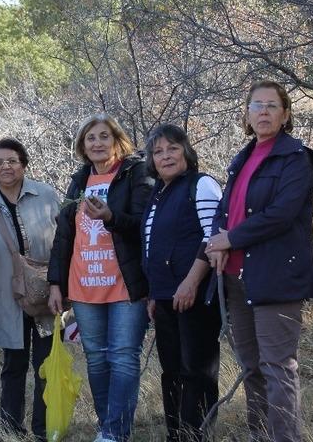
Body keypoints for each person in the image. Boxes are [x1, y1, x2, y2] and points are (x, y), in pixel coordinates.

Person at [205, 81, 313, 442]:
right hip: (238, 277)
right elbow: (225, 210)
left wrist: (231, 238)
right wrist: (217, 241)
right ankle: (260, 436)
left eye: (272, 106)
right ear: (248, 113)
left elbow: (280, 214)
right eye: (257, 105)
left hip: (276, 275)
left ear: (285, 115)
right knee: (251, 367)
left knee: (277, 367)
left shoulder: (295, 158)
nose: (264, 112)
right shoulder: (242, 158)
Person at [47, 114, 153, 442]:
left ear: (117, 141)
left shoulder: (136, 174)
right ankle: (109, 426)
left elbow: (143, 224)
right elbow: (64, 235)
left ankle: (114, 432)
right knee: (95, 357)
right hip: (83, 284)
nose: (97, 143)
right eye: (90, 138)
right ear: (82, 146)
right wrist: (55, 283)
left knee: (122, 354)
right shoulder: (79, 180)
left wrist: (111, 217)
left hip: (125, 282)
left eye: (104, 137)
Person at [0, 138, 59, 441]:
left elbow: (65, 245)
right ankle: (11, 430)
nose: (6, 166)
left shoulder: (46, 196)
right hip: (8, 299)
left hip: (45, 297)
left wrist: (61, 285)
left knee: (46, 365)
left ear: (23, 164)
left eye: (12, 160)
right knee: (13, 367)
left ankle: (44, 430)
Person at [141, 125, 222, 442]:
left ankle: (197, 434)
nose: (165, 156)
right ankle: (177, 434)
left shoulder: (201, 185)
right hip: (163, 298)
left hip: (195, 295)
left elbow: (213, 237)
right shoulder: (157, 193)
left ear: (186, 151)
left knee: (197, 372)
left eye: (172, 148)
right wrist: (153, 294)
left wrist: (190, 282)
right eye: (158, 151)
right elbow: (152, 245)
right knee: (172, 372)